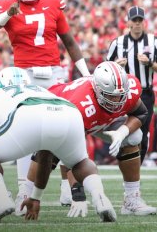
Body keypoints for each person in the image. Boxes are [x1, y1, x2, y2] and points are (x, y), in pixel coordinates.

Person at [0, 0, 91, 214]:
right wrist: (9, 14)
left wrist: (86, 74)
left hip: (53, 72)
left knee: (66, 126)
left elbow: (68, 40)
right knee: (25, 131)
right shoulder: (5, 5)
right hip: (24, 75)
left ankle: (69, 187)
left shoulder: (53, 1)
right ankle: (24, 188)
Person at [0, 67, 115, 223]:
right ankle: (101, 198)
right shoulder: (40, 89)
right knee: (80, 162)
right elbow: (46, 152)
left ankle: (1, 199)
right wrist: (35, 198)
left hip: (28, 111)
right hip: (68, 110)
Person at [26, 61, 156, 217]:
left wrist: (122, 131)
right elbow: (70, 152)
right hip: (59, 113)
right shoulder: (80, 105)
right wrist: (78, 193)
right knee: (46, 158)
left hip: (98, 118)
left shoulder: (128, 88)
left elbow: (141, 113)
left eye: (119, 96)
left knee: (134, 136)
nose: (116, 102)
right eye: (111, 97)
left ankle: (132, 200)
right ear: (98, 90)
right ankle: (26, 194)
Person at [107, 6, 157, 163]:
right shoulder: (118, 43)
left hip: (145, 93)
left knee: (142, 133)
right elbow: (105, 69)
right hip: (124, 95)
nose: (137, 23)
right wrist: (116, 65)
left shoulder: (153, 41)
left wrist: (149, 63)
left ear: (144, 22)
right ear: (128, 22)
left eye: (139, 20)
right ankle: (125, 163)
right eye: (134, 20)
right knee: (124, 130)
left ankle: (138, 167)